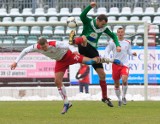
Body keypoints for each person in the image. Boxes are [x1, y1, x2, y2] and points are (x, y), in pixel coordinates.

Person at [10, 38, 121, 114]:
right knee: (57, 81)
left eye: (45, 47)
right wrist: (16, 61)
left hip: (69, 56)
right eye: (42, 47)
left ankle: (110, 60)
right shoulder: (36, 46)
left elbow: (68, 45)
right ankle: (67, 103)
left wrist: (74, 51)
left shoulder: (55, 43)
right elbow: (25, 50)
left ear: (47, 44)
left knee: (91, 62)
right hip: (60, 62)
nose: (44, 49)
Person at [69, 1, 121, 107]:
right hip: (84, 47)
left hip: (93, 51)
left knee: (102, 75)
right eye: (102, 23)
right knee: (84, 38)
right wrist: (90, 7)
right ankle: (73, 40)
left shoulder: (104, 28)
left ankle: (105, 97)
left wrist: (117, 45)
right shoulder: (88, 22)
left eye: (104, 24)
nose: (103, 26)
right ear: (97, 20)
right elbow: (82, 15)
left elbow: (114, 36)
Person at [104, 27, 137, 106]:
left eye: (122, 32)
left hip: (124, 64)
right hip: (115, 65)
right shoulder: (112, 42)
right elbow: (107, 50)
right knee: (116, 84)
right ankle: (119, 99)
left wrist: (132, 53)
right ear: (117, 33)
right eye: (119, 32)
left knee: (124, 80)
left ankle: (123, 97)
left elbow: (129, 51)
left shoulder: (127, 42)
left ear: (124, 33)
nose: (120, 33)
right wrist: (107, 58)